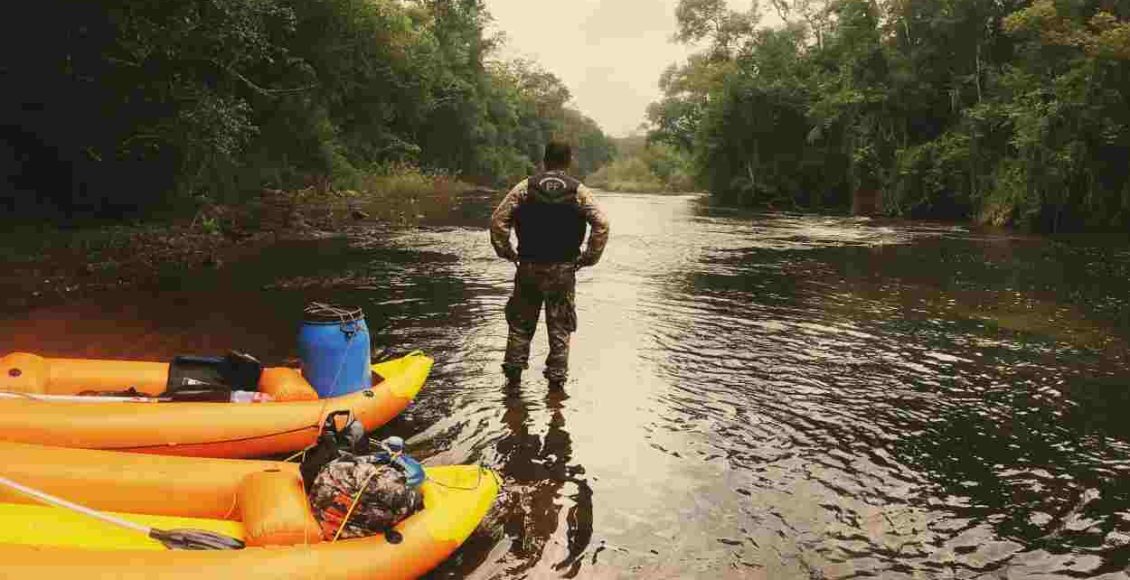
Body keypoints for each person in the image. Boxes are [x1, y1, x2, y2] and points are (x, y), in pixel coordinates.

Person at [489, 141, 610, 390]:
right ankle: (556, 387)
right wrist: (589, 257)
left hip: (528, 267)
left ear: (544, 160)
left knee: (520, 325)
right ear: (569, 161)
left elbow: (498, 221)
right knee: (560, 327)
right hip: (563, 270)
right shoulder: (578, 191)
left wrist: (507, 252)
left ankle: (512, 384)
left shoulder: (525, 188)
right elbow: (602, 224)